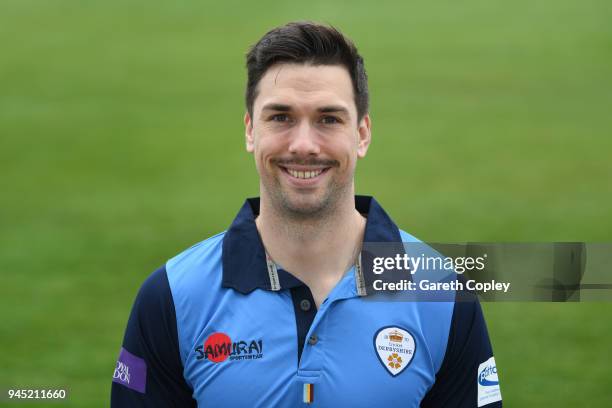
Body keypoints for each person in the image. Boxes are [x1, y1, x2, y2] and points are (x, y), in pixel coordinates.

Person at [111, 21, 502, 407]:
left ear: (362, 134)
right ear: (250, 130)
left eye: (328, 119)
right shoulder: (172, 296)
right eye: (280, 117)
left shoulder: (445, 295)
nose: (303, 145)